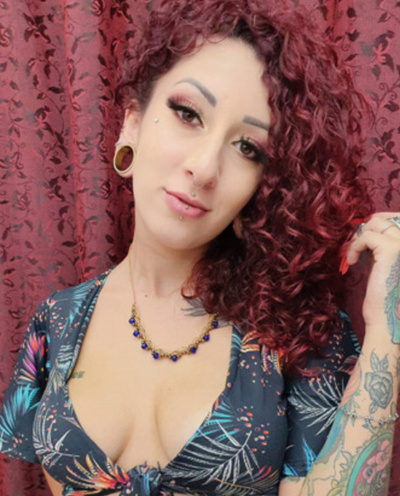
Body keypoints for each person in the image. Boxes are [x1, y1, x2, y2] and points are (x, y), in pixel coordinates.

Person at [0, 0, 399, 495]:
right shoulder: (55, 323)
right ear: (131, 124)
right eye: (188, 114)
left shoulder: (298, 328)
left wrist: (388, 330)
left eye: (248, 148)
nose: (205, 168)